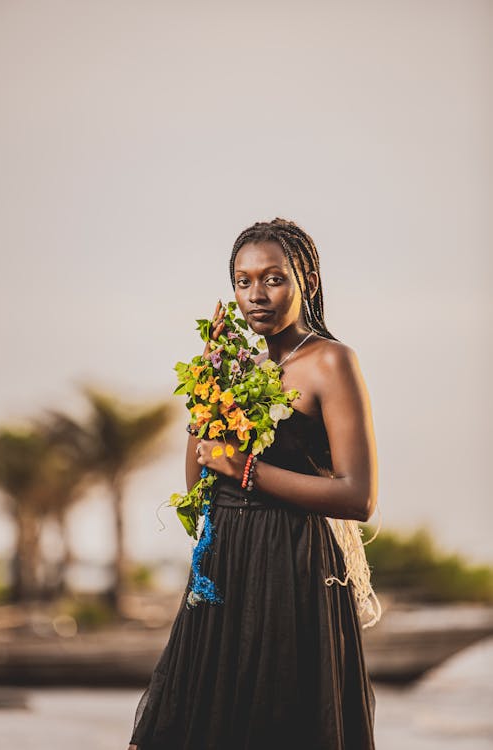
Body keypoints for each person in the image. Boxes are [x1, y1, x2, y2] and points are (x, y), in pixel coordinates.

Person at [128, 217, 380, 750]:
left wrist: (247, 469)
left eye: (273, 278)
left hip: (292, 569)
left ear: (305, 280)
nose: (256, 295)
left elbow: (358, 496)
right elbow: (198, 501)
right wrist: (207, 385)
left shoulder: (330, 362)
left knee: (279, 726)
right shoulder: (239, 371)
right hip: (223, 571)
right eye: (242, 282)